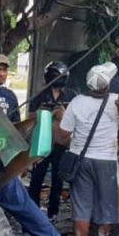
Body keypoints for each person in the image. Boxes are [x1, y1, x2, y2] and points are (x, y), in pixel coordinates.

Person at [0, 53, 66, 236]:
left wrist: (20, 159)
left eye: (4, 70)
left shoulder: (10, 96)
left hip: (4, 154)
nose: (1, 74)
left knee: (19, 201)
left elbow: (16, 128)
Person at [56, 62, 119, 236]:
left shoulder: (76, 102)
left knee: (82, 207)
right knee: (107, 206)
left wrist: (62, 123)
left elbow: (63, 136)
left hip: (81, 160)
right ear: (107, 85)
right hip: (107, 161)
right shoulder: (117, 102)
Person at [28, 61, 78, 218]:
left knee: (58, 178)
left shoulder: (71, 96)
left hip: (61, 143)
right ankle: (32, 211)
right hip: (42, 141)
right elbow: (30, 118)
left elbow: (77, 119)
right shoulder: (39, 95)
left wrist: (64, 114)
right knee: (37, 177)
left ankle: (53, 212)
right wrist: (47, 114)